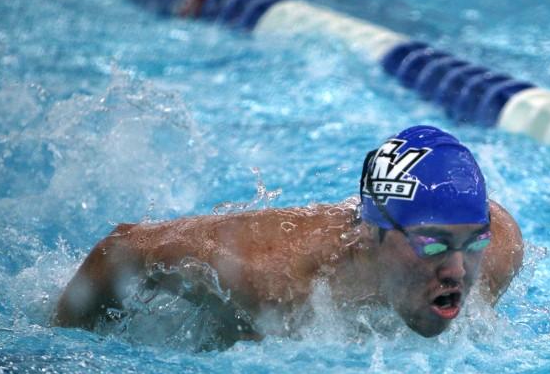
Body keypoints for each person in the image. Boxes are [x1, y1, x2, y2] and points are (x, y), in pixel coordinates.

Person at [53, 125, 523, 342]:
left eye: (472, 241)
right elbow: (122, 249)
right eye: (434, 244)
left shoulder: (498, 250)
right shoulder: (272, 277)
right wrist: (67, 346)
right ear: (370, 234)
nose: (459, 270)